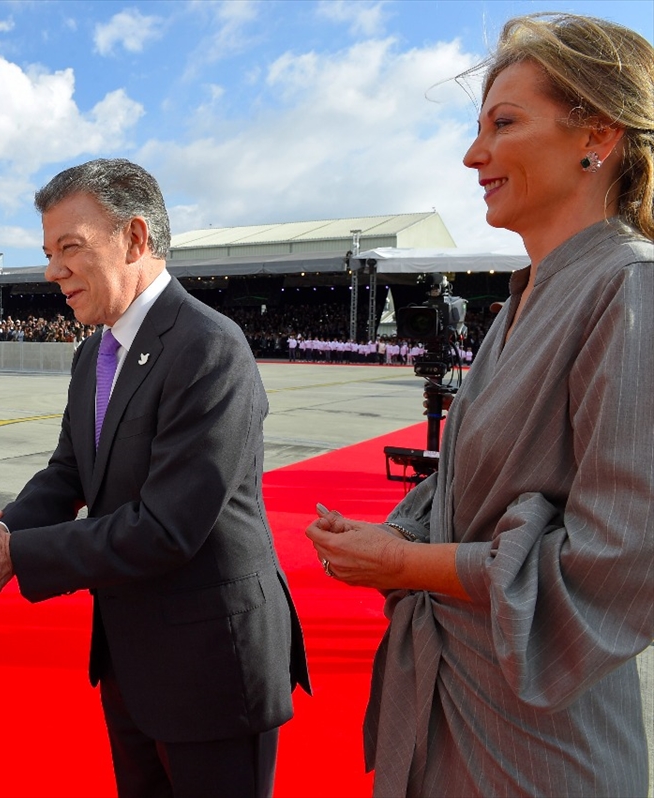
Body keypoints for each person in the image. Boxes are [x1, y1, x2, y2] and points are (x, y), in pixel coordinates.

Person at [306, 13, 654, 796]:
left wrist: (407, 564)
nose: (473, 155)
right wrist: (395, 531)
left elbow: (624, 564)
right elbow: (468, 488)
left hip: (535, 737)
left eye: (504, 123)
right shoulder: (526, 299)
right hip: (455, 700)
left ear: (594, 135)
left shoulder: (630, 287)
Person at [0, 159, 310, 798]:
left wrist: (16, 555)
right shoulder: (95, 351)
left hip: (212, 669)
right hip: (133, 658)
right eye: (47, 251)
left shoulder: (208, 346)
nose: (51, 270)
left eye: (70, 248)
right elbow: (67, 472)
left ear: (135, 239)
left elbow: (168, 527)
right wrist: (1, 527)